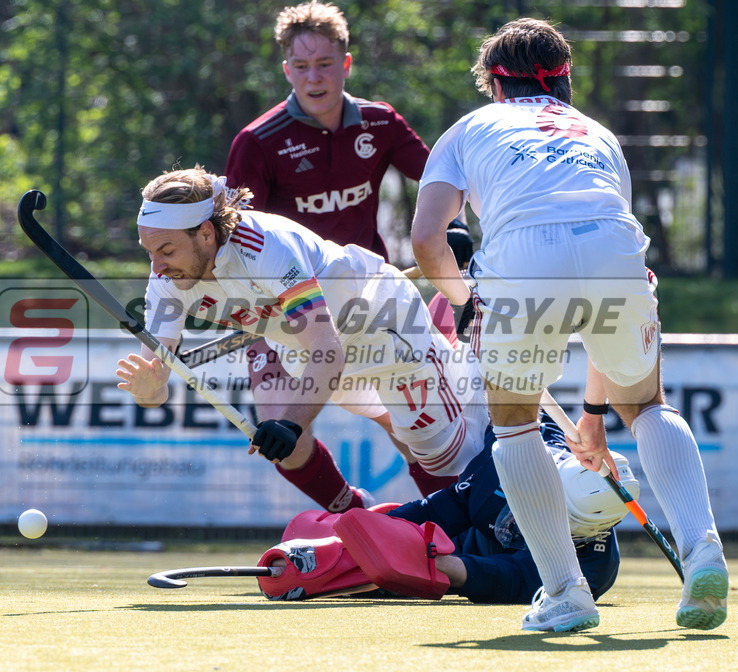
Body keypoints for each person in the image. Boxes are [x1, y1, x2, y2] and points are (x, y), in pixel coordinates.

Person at [410, 18, 727, 632]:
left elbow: (427, 239)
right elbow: (594, 259)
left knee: (515, 427)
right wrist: (595, 417)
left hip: (524, 265)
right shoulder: (600, 136)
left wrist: (464, 298)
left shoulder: (470, 128)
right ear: (564, 81)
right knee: (651, 404)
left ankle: (565, 592)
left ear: (494, 86)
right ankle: (704, 552)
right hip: (616, 258)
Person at [115, 166, 489, 506]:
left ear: (206, 233)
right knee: (400, 428)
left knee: (438, 448)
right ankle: (381, 523)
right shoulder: (166, 281)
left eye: (166, 250)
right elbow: (157, 384)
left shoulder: (266, 247)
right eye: (150, 252)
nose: (157, 267)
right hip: (308, 355)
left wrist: (291, 423)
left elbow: (329, 350)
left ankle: (481, 536)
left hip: (381, 325)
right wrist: (151, 390)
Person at [224, 0, 459, 508]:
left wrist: (452, 226)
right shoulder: (257, 142)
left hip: (365, 306)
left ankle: (460, 524)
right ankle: (351, 515)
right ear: (286, 69)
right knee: (276, 432)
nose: (314, 78)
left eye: (325, 64)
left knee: (412, 425)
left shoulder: (380, 123)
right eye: (302, 67)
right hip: (283, 314)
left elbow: (443, 176)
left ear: (346, 64)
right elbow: (231, 238)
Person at [257, 415, 637, 605]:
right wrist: (376, 528)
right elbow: (448, 506)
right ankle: (343, 529)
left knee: (390, 573)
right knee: (372, 528)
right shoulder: (512, 451)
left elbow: (512, 579)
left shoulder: (594, 571)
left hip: (465, 560)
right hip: (455, 530)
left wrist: (455, 570)